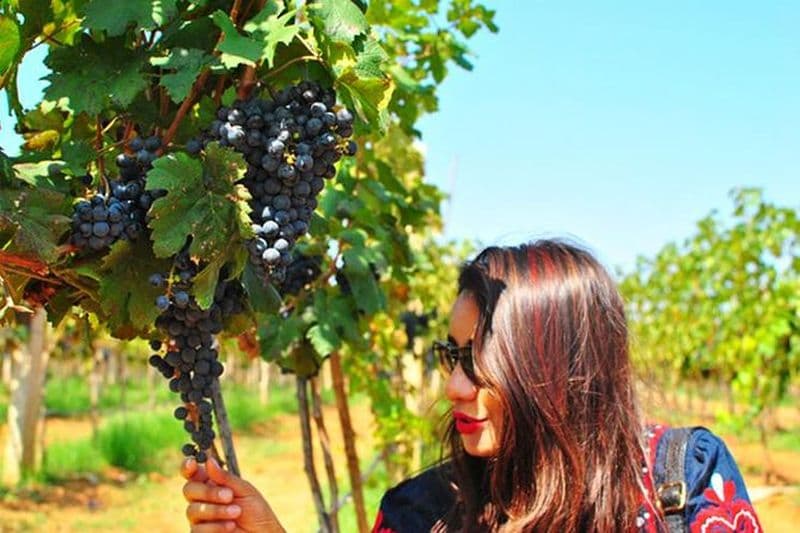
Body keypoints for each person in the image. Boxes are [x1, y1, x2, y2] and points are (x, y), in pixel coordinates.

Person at [181, 240, 762, 532]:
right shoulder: (418, 512)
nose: (455, 385)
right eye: (452, 357)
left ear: (556, 367)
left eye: (480, 361)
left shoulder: (682, 480)